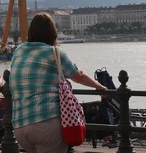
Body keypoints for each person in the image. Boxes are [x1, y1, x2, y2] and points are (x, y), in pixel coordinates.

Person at [9, 12, 107, 153]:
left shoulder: (19, 51)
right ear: (52, 32)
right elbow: (77, 76)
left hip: (20, 127)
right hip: (46, 122)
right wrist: (99, 86)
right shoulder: (54, 53)